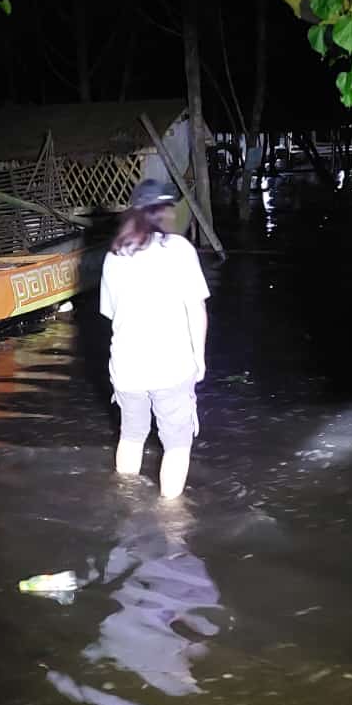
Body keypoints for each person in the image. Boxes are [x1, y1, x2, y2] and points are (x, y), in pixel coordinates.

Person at [99, 178, 210, 499]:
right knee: (176, 443)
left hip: (127, 369)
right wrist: (199, 360)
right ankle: (170, 517)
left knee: (131, 436)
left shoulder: (114, 256)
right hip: (171, 367)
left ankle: (125, 505)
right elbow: (196, 310)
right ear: (167, 211)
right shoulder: (180, 250)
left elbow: (110, 313)